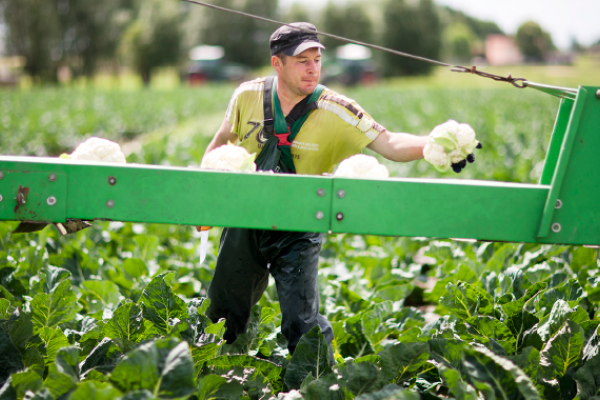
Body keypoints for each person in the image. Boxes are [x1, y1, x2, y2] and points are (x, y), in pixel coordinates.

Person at [203, 22, 431, 356]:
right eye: (302, 61)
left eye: (317, 60)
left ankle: (313, 382)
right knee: (222, 314)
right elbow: (219, 146)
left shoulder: (336, 108)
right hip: (244, 219)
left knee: (301, 322)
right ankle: (215, 374)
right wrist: (203, 203)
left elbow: (391, 144)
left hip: (299, 226)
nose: (313, 69)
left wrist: (436, 143)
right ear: (277, 63)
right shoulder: (247, 96)